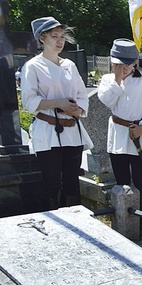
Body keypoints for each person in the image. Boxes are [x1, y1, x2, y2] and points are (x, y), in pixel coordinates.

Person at [21, 17, 92, 211]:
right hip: (48, 132)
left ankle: (77, 226)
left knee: (72, 183)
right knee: (51, 184)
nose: (60, 41)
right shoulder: (33, 66)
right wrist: (58, 103)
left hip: (72, 130)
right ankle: (54, 229)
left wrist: (78, 109)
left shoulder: (70, 65)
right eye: (54, 36)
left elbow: (81, 94)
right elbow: (29, 102)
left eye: (61, 36)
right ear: (42, 38)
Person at [98, 39, 142, 236]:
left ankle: (141, 226)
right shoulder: (108, 80)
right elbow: (107, 100)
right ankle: (123, 223)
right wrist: (117, 80)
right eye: (119, 64)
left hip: (139, 135)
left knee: (141, 182)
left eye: (127, 64)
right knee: (121, 182)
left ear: (135, 62)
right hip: (118, 137)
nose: (124, 68)